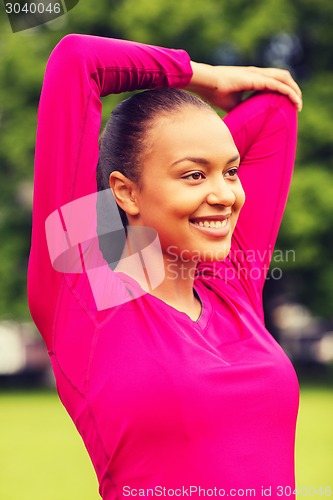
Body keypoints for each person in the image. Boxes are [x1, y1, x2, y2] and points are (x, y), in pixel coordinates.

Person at [28, 33, 302, 499]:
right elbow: (79, 61)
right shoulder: (89, 290)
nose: (225, 194)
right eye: (193, 174)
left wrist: (198, 135)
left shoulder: (229, 286)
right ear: (126, 192)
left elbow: (277, 110)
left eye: (231, 171)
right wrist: (205, 76)